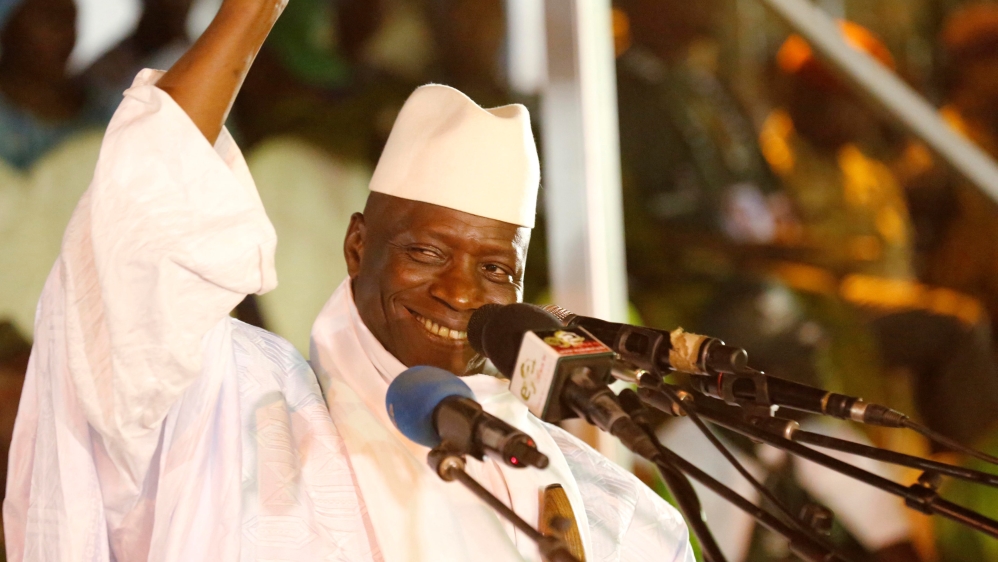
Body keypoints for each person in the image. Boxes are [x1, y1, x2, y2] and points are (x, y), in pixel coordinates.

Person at [2, 0, 694, 561]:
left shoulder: (590, 502)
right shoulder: (238, 408)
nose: (459, 293)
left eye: (493, 269)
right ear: (358, 246)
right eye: (426, 252)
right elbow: (142, 227)